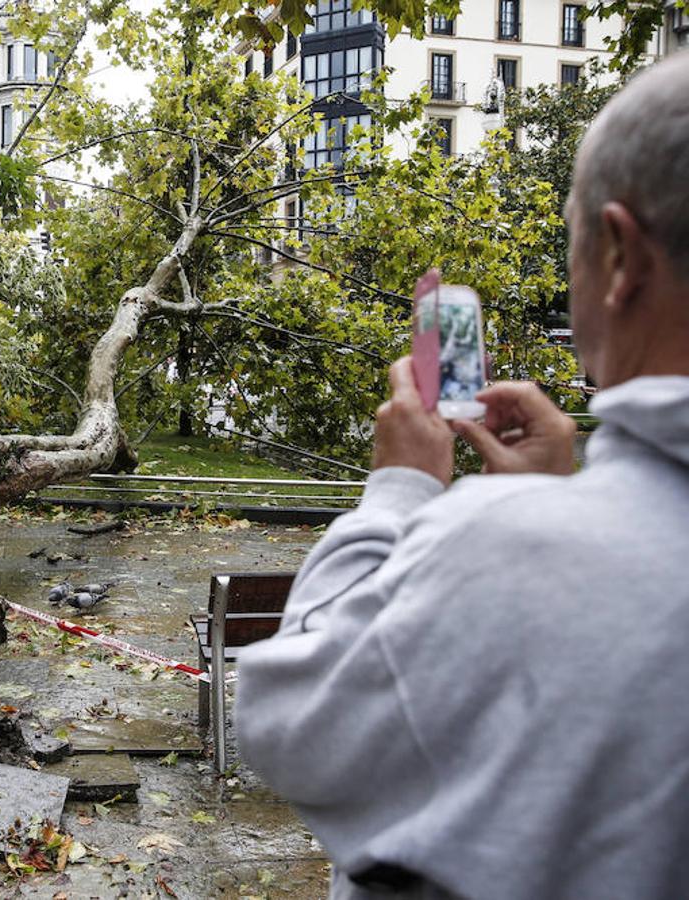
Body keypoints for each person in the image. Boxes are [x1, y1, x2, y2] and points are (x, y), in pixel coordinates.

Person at [235, 50, 689, 900]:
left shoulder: (495, 548)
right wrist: (562, 505)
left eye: (574, 242)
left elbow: (288, 722)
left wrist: (400, 490)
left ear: (622, 257)